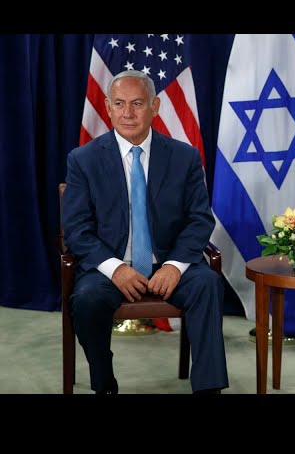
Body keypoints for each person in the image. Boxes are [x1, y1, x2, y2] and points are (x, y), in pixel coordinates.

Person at [61, 70, 228, 394]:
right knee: (86, 299)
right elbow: (77, 229)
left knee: (207, 283)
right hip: (109, 266)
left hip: (169, 261)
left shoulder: (185, 157)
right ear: (107, 107)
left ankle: (209, 389)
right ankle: (104, 380)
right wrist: (116, 269)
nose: (128, 113)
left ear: (156, 105)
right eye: (120, 104)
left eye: (137, 103)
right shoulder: (84, 160)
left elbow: (199, 219)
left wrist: (174, 266)